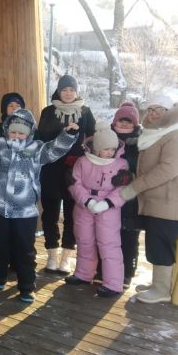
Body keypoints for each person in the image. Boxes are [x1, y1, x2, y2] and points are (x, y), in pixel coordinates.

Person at [0, 108, 79, 303]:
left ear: (29, 133)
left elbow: (55, 149)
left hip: (25, 212)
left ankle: (27, 286)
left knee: (25, 249)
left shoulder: (36, 150)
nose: (17, 136)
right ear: (6, 130)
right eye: (13, 131)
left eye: (21, 132)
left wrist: (68, 135)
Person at [120, 96, 178, 304]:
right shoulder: (157, 133)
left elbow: (168, 169)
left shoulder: (177, 135)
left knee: (161, 244)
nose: (153, 113)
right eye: (150, 110)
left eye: (159, 109)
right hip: (160, 201)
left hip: (171, 201)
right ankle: (159, 283)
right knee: (156, 242)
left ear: (169, 111)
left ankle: (162, 289)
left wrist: (134, 187)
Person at [37, 74, 96, 275]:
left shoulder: (85, 112)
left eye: (72, 89)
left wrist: (80, 139)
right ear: (58, 92)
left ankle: (66, 257)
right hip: (52, 169)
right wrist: (63, 131)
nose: (68, 93)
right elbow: (42, 136)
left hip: (76, 170)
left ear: (77, 91)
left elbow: (93, 139)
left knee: (73, 214)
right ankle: (52, 255)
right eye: (64, 90)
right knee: (50, 213)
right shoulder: (48, 111)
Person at [66, 122, 129, 297]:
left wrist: (108, 202)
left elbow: (123, 187)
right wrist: (87, 201)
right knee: (85, 240)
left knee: (109, 244)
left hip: (108, 208)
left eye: (112, 149)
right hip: (84, 206)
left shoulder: (121, 164)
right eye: (106, 149)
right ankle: (83, 274)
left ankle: (113, 283)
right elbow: (74, 183)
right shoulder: (82, 161)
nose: (110, 152)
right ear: (96, 148)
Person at [111, 102, 143, 286]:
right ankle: (106, 268)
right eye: (120, 121)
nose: (123, 125)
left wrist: (130, 175)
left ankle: (127, 272)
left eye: (128, 122)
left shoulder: (141, 143)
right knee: (108, 234)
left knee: (129, 236)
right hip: (107, 195)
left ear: (135, 125)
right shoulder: (105, 138)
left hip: (131, 197)